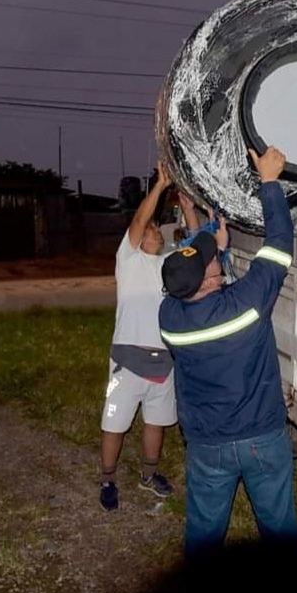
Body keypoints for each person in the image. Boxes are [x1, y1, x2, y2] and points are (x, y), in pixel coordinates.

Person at [158, 145, 297, 559]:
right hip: (261, 437)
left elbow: (197, 287)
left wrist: (214, 247)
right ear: (210, 280)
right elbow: (279, 246)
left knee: (203, 537)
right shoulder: (246, 303)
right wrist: (269, 182)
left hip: (208, 446)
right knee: (280, 534)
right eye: (209, 261)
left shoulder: (170, 318)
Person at [99, 164, 197, 511]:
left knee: (157, 422)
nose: (156, 231)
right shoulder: (128, 259)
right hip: (126, 361)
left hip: (163, 361)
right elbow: (140, 219)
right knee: (115, 423)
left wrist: (188, 209)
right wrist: (160, 186)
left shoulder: (170, 264)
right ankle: (108, 480)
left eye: (158, 228)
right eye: (152, 228)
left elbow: (197, 249)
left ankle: (149, 475)